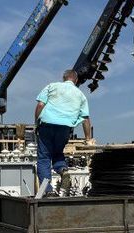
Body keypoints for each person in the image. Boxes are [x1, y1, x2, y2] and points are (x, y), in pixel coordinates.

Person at [33, 69, 93, 199]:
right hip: (65, 128)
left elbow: (40, 105)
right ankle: (63, 170)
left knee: (44, 158)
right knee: (58, 153)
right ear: (76, 80)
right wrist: (88, 138)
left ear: (63, 78)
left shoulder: (52, 86)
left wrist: (37, 122)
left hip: (47, 125)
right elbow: (85, 119)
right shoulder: (80, 95)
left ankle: (48, 191)